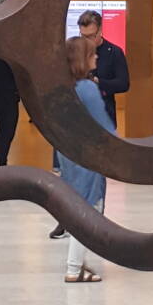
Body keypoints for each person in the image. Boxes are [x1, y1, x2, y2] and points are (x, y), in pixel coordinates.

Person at [57, 36, 115, 283]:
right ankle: (74, 267)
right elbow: (104, 128)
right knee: (88, 210)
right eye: (92, 54)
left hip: (69, 154)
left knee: (78, 205)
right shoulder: (88, 88)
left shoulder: (64, 88)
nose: (97, 57)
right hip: (88, 156)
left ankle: (80, 263)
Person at [77, 10, 129, 126]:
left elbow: (124, 84)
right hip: (79, 115)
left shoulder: (115, 52)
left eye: (91, 36)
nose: (86, 41)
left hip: (105, 115)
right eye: (83, 36)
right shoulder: (75, 52)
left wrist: (98, 82)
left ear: (100, 30)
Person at [0, 58, 19, 166]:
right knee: (7, 131)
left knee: (3, 130)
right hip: (7, 97)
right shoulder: (6, 59)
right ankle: (1, 160)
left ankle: (1, 159)